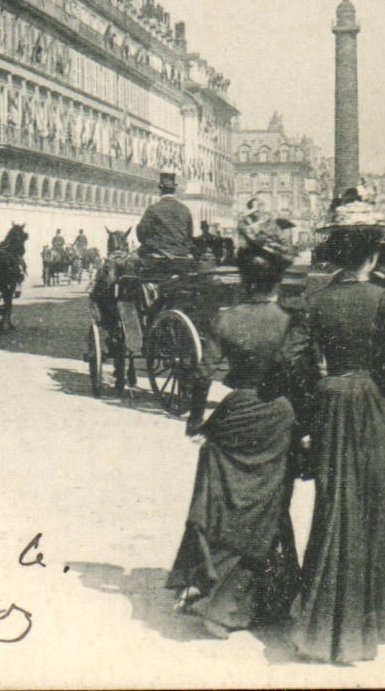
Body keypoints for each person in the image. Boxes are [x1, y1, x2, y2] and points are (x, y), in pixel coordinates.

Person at [168, 226, 315, 636]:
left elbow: (204, 373)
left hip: (234, 416)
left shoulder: (225, 319)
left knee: (226, 507)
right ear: (279, 279)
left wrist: (196, 419)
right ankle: (256, 598)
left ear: (245, 279)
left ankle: (216, 590)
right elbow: (302, 380)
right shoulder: (290, 322)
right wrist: (305, 428)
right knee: (269, 505)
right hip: (277, 417)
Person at [288, 205, 385, 664]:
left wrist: (320, 389)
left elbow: (294, 361)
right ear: (375, 251)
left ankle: (323, 620)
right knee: (377, 506)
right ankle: (379, 617)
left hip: (330, 402)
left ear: (338, 252)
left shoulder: (316, 299)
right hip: (372, 406)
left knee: (333, 503)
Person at [136, 171, 193, 261]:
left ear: (160, 190)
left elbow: (141, 232)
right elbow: (189, 234)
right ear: (174, 190)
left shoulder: (153, 209)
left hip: (159, 256)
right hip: (182, 255)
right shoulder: (185, 210)